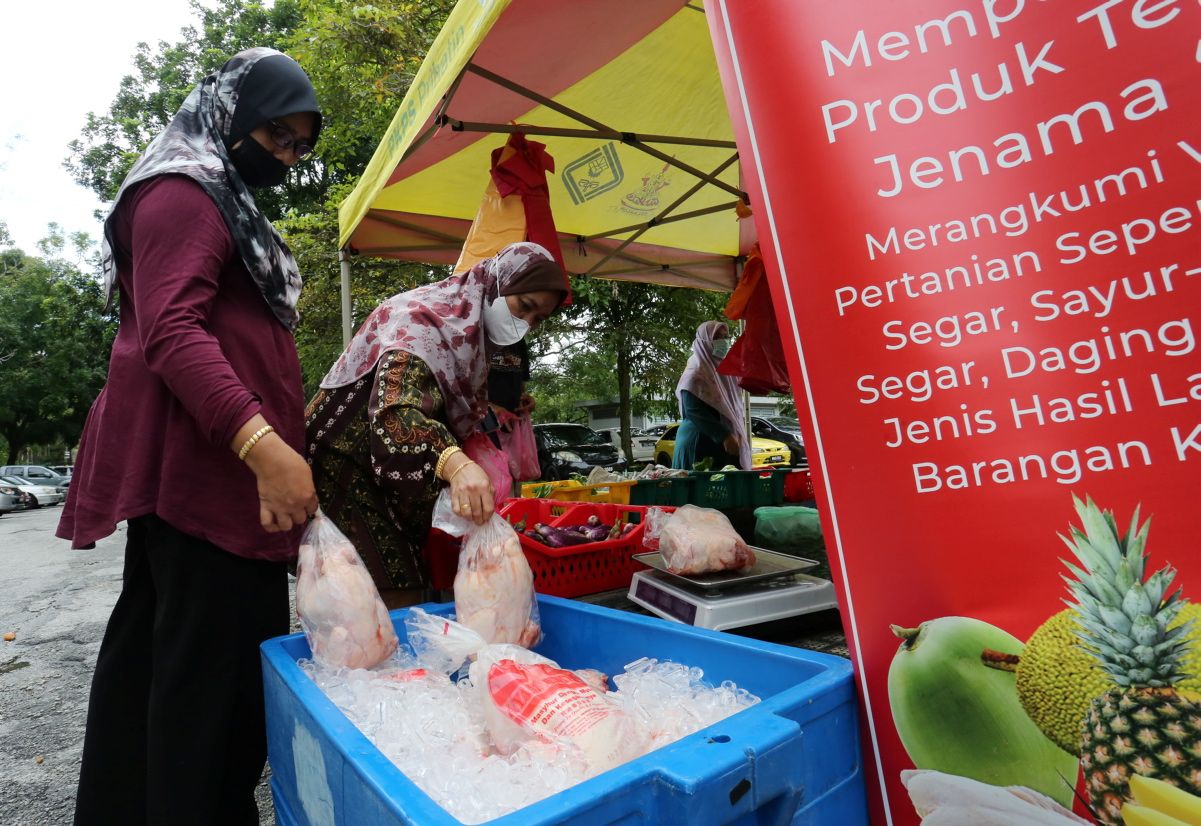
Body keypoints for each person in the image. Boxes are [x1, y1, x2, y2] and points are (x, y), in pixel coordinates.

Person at [56, 48, 321, 825]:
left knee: (166, 673)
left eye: (299, 147)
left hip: (213, 484)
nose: (286, 157)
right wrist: (264, 447)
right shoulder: (182, 192)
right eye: (277, 136)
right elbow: (172, 330)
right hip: (206, 478)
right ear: (231, 116)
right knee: (209, 692)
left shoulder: (222, 197)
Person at [306, 242, 568, 607]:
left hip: (393, 473)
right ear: (495, 284)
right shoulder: (420, 320)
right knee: (378, 588)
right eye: (524, 307)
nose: (525, 325)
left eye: (537, 319)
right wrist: (457, 464)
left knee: (407, 578)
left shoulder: (470, 342)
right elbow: (394, 415)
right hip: (346, 466)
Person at [671, 320, 752, 471]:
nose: (723, 341)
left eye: (726, 337)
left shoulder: (725, 372)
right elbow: (693, 410)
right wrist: (724, 436)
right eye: (717, 337)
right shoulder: (695, 373)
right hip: (699, 443)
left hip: (722, 444)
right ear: (704, 341)